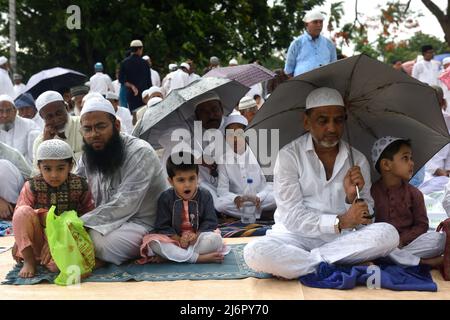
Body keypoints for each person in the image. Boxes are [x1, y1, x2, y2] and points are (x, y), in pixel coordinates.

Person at [243, 87, 399, 279]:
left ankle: (313, 262)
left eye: (338, 120)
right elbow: (291, 216)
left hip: (342, 240)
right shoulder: (288, 157)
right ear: (307, 122)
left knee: (388, 233)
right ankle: (338, 262)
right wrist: (339, 222)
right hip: (295, 238)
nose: (332, 128)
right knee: (254, 252)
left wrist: (353, 199)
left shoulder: (357, 160)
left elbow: (367, 221)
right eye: (323, 120)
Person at [76, 97, 168, 265]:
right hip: (106, 221)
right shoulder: (88, 156)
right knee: (72, 235)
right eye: (87, 129)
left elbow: (126, 203)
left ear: (116, 126)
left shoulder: (140, 152)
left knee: (100, 242)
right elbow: (75, 188)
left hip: (143, 223)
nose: (94, 134)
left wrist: (79, 224)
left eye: (101, 126)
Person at [11, 139, 95, 278]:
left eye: (60, 168)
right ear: (39, 167)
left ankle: (47, 259)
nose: (54, 175)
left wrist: (60, 235)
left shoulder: (81, 185)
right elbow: (20, 219)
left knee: (55, 267)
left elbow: (89, 217)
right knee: (22, 212)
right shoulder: (31, 186)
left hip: (67, 239)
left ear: (70, 166)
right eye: (47, 169)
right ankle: (29, 261)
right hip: (38, 239)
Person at [371, 137, 445, 268]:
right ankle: (421, 262)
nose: (411, 163)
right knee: (372, 245)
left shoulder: (414, 193)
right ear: (386, 165)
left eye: (411, 158)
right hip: (382, 244)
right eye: (405, 158)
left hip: (407, 245)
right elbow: (369, 227)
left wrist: (402, 239)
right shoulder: (372, 192)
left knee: (439, 240)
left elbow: (422, 225)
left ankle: (394, 259)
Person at [138, 152, 225, 264]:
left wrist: (196, 235)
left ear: (197, 178)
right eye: (181, 180)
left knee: (215, 240)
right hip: (174, 241)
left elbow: (211, 221)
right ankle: (197, 258)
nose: (187, 185)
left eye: (191, 178)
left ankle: (173, 256)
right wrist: (178, 239)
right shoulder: (165, 198)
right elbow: (162, 226)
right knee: (153, 243)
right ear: (171, 181)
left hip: (198, 240)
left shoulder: (205, 195)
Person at [215, 115, 276, 219]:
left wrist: (258, 197)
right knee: (219, 204)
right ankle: (261, 214)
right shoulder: (223, 160)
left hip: (261, 198)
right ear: (225, 138)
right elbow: (222, 190)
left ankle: (248, 214)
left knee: (277, 197)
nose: (235, 139)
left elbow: (270, 184)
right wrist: (236, 198)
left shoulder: (260, 154)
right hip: (240, 202)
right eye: (230, 135)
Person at [32, 91, 83, 171]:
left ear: (66, 108)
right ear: (42, 117)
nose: (56, 120)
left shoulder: (83, 125)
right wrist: (46, 144)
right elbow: (37, 173)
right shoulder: (40, 142)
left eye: (59, 113)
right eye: (49, 117)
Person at [284, 10, 337, 78]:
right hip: (302, 85)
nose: (319, 25)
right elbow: (288, 71)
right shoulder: (297, 43)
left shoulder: (329, 44)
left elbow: (334, 68)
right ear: (306, 24)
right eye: (315, 22)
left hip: (324, 84)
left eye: (321, 22)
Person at [0, 94, 40, 165]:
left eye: (8, 110)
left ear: (15, 111)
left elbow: (35, 157)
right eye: (1, 111)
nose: (5, 115)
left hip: (27, 171)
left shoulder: (29, 126)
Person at [119, 40, 152, 120]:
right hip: (144, 95)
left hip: (132, 94)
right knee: (144, 116)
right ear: (139, 49)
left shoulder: (124, 63)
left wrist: (132, 86)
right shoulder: (145, 63)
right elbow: (149, 82)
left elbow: (121, 80)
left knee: (134, 116)